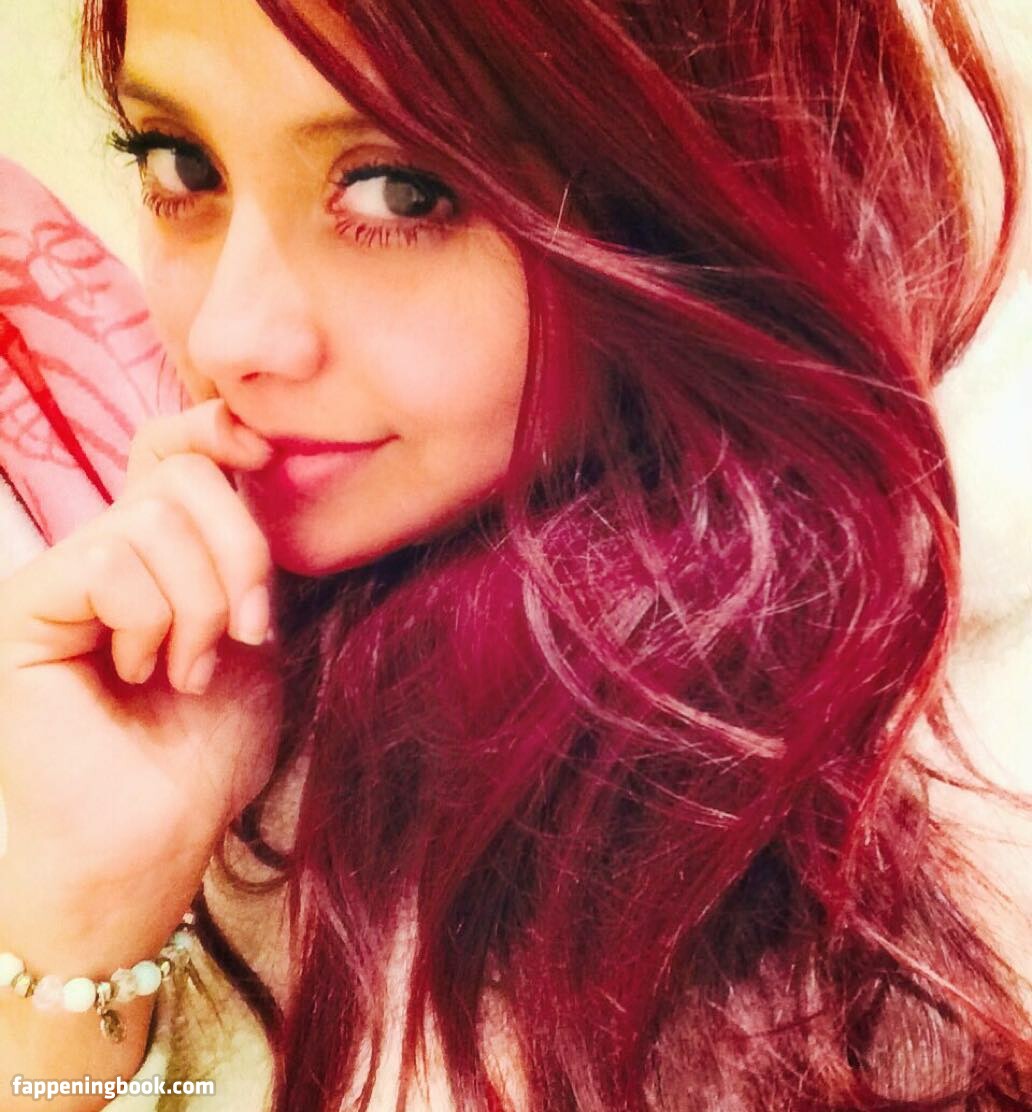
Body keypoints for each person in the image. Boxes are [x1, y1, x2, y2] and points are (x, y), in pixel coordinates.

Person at [1, 0, 1031, 1109]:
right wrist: (81, 916)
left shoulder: (951, 780)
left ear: (689, 181)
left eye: (400, 191)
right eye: (182, 165)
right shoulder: (184, 653)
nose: (226, 337)